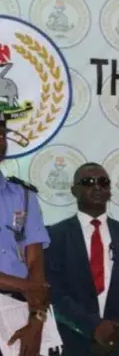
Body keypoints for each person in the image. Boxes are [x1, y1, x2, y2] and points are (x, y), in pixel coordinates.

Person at [44, 163, 119, 356]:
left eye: (103, 182)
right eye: (88, 182)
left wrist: (116, 327)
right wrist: (94, 327)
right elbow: (54, 291)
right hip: (72, 340)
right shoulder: (54, 237)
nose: (97, 187)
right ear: (74, 190)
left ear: (110, 190)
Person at [0, 112, 52, 356]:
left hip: (19, 308)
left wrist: (36, 320)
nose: (0, 140)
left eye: (1, 134)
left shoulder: (23, 195)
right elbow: (35, 284)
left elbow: (35, 260)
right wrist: (30, 287)